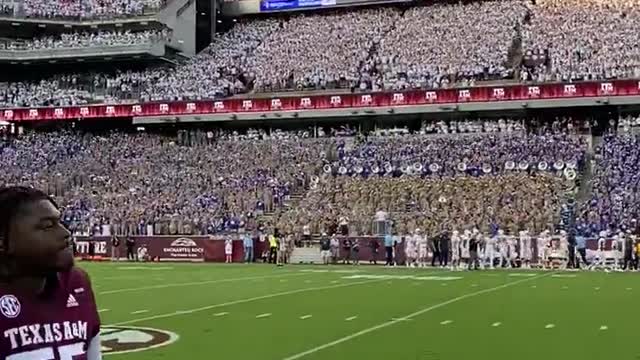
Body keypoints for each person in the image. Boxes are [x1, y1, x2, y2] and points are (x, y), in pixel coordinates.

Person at [0, 186, 102, 359]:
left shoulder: (76, 283)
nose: (65, 233)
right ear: (2, 241)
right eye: (47, 226)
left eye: (59, 222)